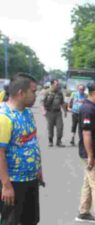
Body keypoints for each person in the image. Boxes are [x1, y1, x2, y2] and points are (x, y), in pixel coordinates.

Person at [0, 73, 43, 225]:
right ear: (21, 93)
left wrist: (38, 169)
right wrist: (6, 186)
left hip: (30, 179)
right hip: (13, 182)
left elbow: (32, 142)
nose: (35, 95)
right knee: (11, 221)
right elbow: (0, 155)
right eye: (33, 92)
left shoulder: (27, 113)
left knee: (31, 220)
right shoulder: (4, 117)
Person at [75, 82, 95, 225]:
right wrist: (90, 156)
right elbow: (86, 133)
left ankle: (83, 212)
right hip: (92, 153)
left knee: (89, 182)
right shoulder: (88, 109)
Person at [41, 79, 67, 147]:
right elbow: (42, 102)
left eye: (58, 84)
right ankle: (50, 141)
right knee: (50, 127)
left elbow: (62, 102)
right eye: (56, 84)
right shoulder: (47, 92)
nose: (57, 86)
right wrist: (43, 110)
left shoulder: (60, 93)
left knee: (60, 127)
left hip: (58, 112)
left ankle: (59, 141)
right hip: (49, 112)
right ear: (52, 84)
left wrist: (65, 111)